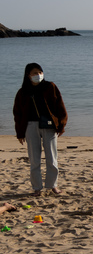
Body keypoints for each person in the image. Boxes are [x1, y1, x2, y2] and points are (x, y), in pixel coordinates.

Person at [13, 63, 68, 197]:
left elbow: (60, 106)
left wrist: (61, 125)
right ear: (28, 75)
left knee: (52, 158)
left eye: (40, 72)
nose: (38, 75)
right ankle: (37, 188)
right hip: (30, 126)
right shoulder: (23, 92)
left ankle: (53, 185)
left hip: (49, 126)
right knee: (34, 160)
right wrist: (20, 133)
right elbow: (17, 113)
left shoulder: (50, 87)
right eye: (34, 73)